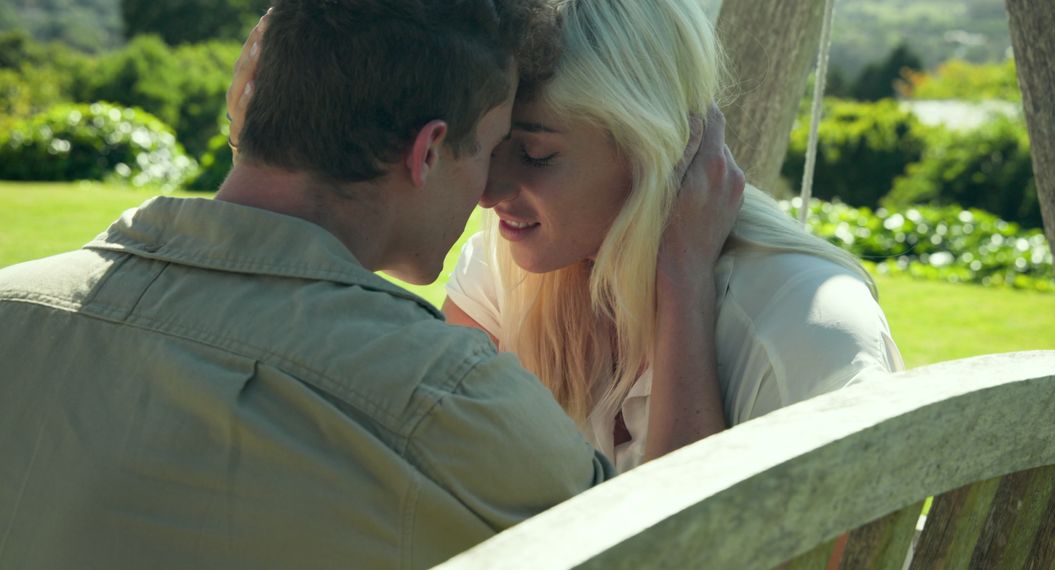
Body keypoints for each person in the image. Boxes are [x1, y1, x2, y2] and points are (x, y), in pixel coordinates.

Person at [0, 1, 743, 568]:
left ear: (255, 102)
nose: (489, 192)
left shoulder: (15, 308)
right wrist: (681, 273)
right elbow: (681, 553)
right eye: (489, 148)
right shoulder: (445, 403)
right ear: (429, 152)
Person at [440, 0, 905, 473]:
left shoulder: (803, 328)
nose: (488, 193)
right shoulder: (500, 274)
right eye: (491, 146)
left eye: (536, 155)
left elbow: (696, 519)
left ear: (653, 149)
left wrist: (683, 284)